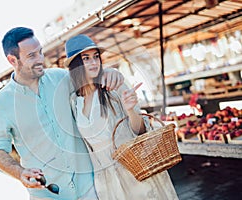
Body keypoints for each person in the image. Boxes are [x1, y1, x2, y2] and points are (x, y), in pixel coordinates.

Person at [0, 27, 124, 200]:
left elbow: (89, 78)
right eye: (31, 56)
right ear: (12, 60)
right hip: (47, 195)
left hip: (90, 188)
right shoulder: (0, 103)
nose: (40, 60)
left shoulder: (61, 78)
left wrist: (110, 72)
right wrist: (20, 173)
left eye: (40, 52)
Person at [65, 34, 179, 200]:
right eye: (86, 58)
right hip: (109, 182)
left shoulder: (113, 86)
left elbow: (140, 131)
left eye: (96, 56)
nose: (94, 62)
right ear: (76, 65)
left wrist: (131, 110)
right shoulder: (74, 101)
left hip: (136, 171)